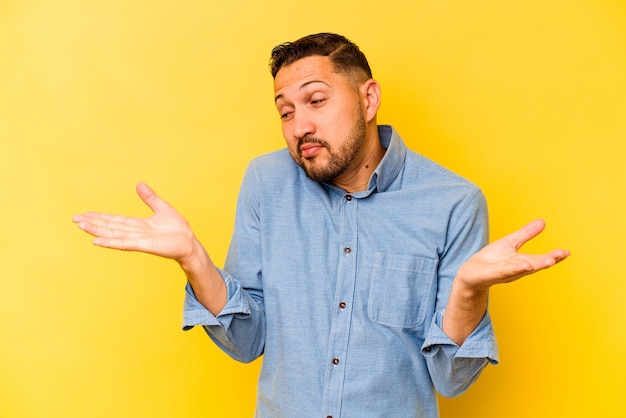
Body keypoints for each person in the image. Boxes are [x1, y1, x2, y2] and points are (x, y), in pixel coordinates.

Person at [73, 33, 569, 418]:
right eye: (285, 111)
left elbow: (451, 380)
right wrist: (194, 260)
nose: (298, 127)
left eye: (316, 101)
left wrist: (466, 292)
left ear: (368, 98)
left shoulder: (454, 203)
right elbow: (246, 343)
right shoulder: (266, 182)